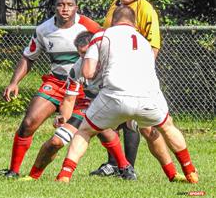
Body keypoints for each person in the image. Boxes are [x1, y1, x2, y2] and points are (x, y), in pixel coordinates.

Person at [55, 5, 198, 184]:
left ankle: (64, 175)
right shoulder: (144, 41)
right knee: (166, 127)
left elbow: (88, 72)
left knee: (84, 131)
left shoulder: (102, 35)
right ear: (135, 23)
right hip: (148, 95)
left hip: (115, 96)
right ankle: (189, 171)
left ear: (113, 21)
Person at [23, 32, 186, 182]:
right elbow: (69, 99)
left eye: (88, 53)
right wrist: (64, 118)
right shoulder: (77, 69)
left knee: (149, 130)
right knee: (56, 141)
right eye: (81, 54)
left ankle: (172, 174)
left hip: (119, 103)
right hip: (90, 107)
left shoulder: (116, 61)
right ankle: (33, 176)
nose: (85, 57)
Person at [0, 0, 100, 178]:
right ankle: (13, 170)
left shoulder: (89, 26)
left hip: (83, 86)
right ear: (54, 7)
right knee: (28, 123)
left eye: (69, 5)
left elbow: (106, 47)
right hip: (57, 83)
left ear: (76, 7)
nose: (65, 9)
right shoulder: (44, 29)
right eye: (60, 5)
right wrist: (14, 82)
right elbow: (29, 57)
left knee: (104, 129)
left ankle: (123, 167)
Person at [90, 0, 161, 177]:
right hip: (113, 71)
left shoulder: (146, 9)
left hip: (135, 73)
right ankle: (114, 163)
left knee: (132, 119)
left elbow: (153, 45)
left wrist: (143, 72)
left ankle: (128, 167)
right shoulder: (115, 6)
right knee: (112, 117)